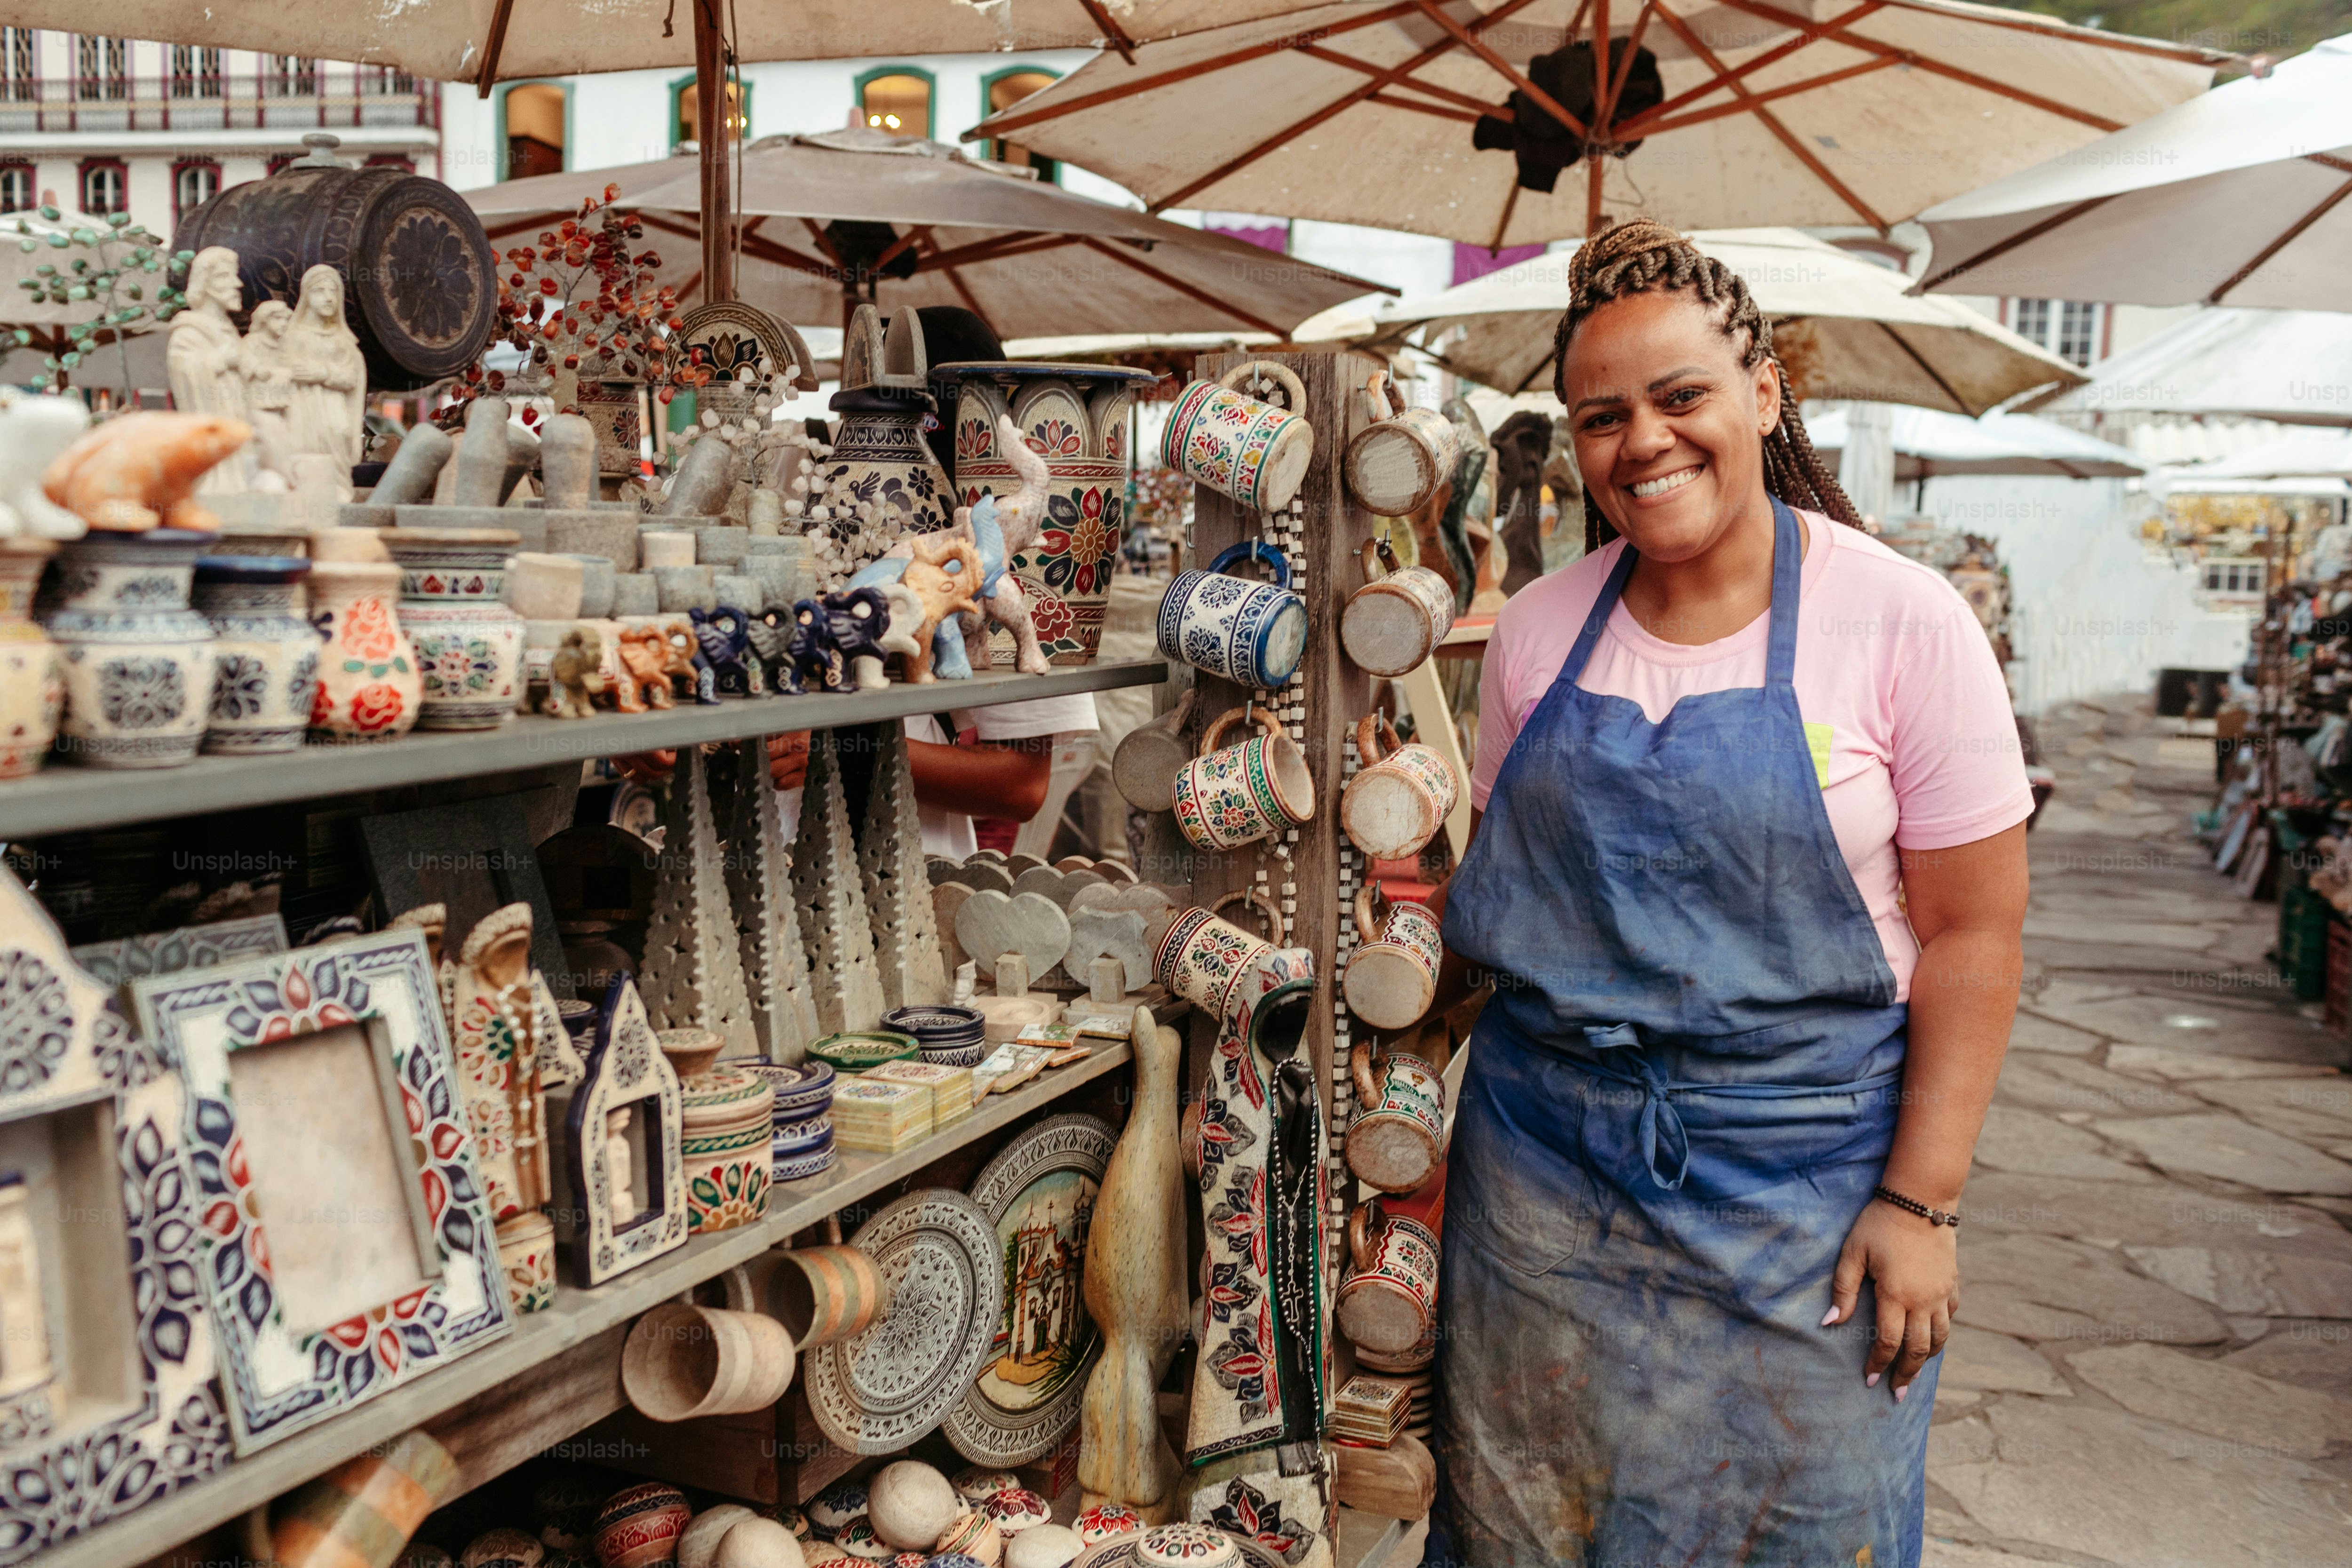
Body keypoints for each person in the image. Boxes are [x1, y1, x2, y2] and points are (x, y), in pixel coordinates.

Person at [1421, 219, 2032, 1568]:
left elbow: (1976, 934)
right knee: (1537, 1526)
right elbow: (1519, 893)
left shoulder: (1903, 620)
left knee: (1803, 1531)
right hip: (1542, 1192)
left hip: (1806, 1196)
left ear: (1764, 392)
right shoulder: (1534, 634)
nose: (1644, 441)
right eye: (1601, 415)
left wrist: (1924, 1202)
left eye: (1680, 396)